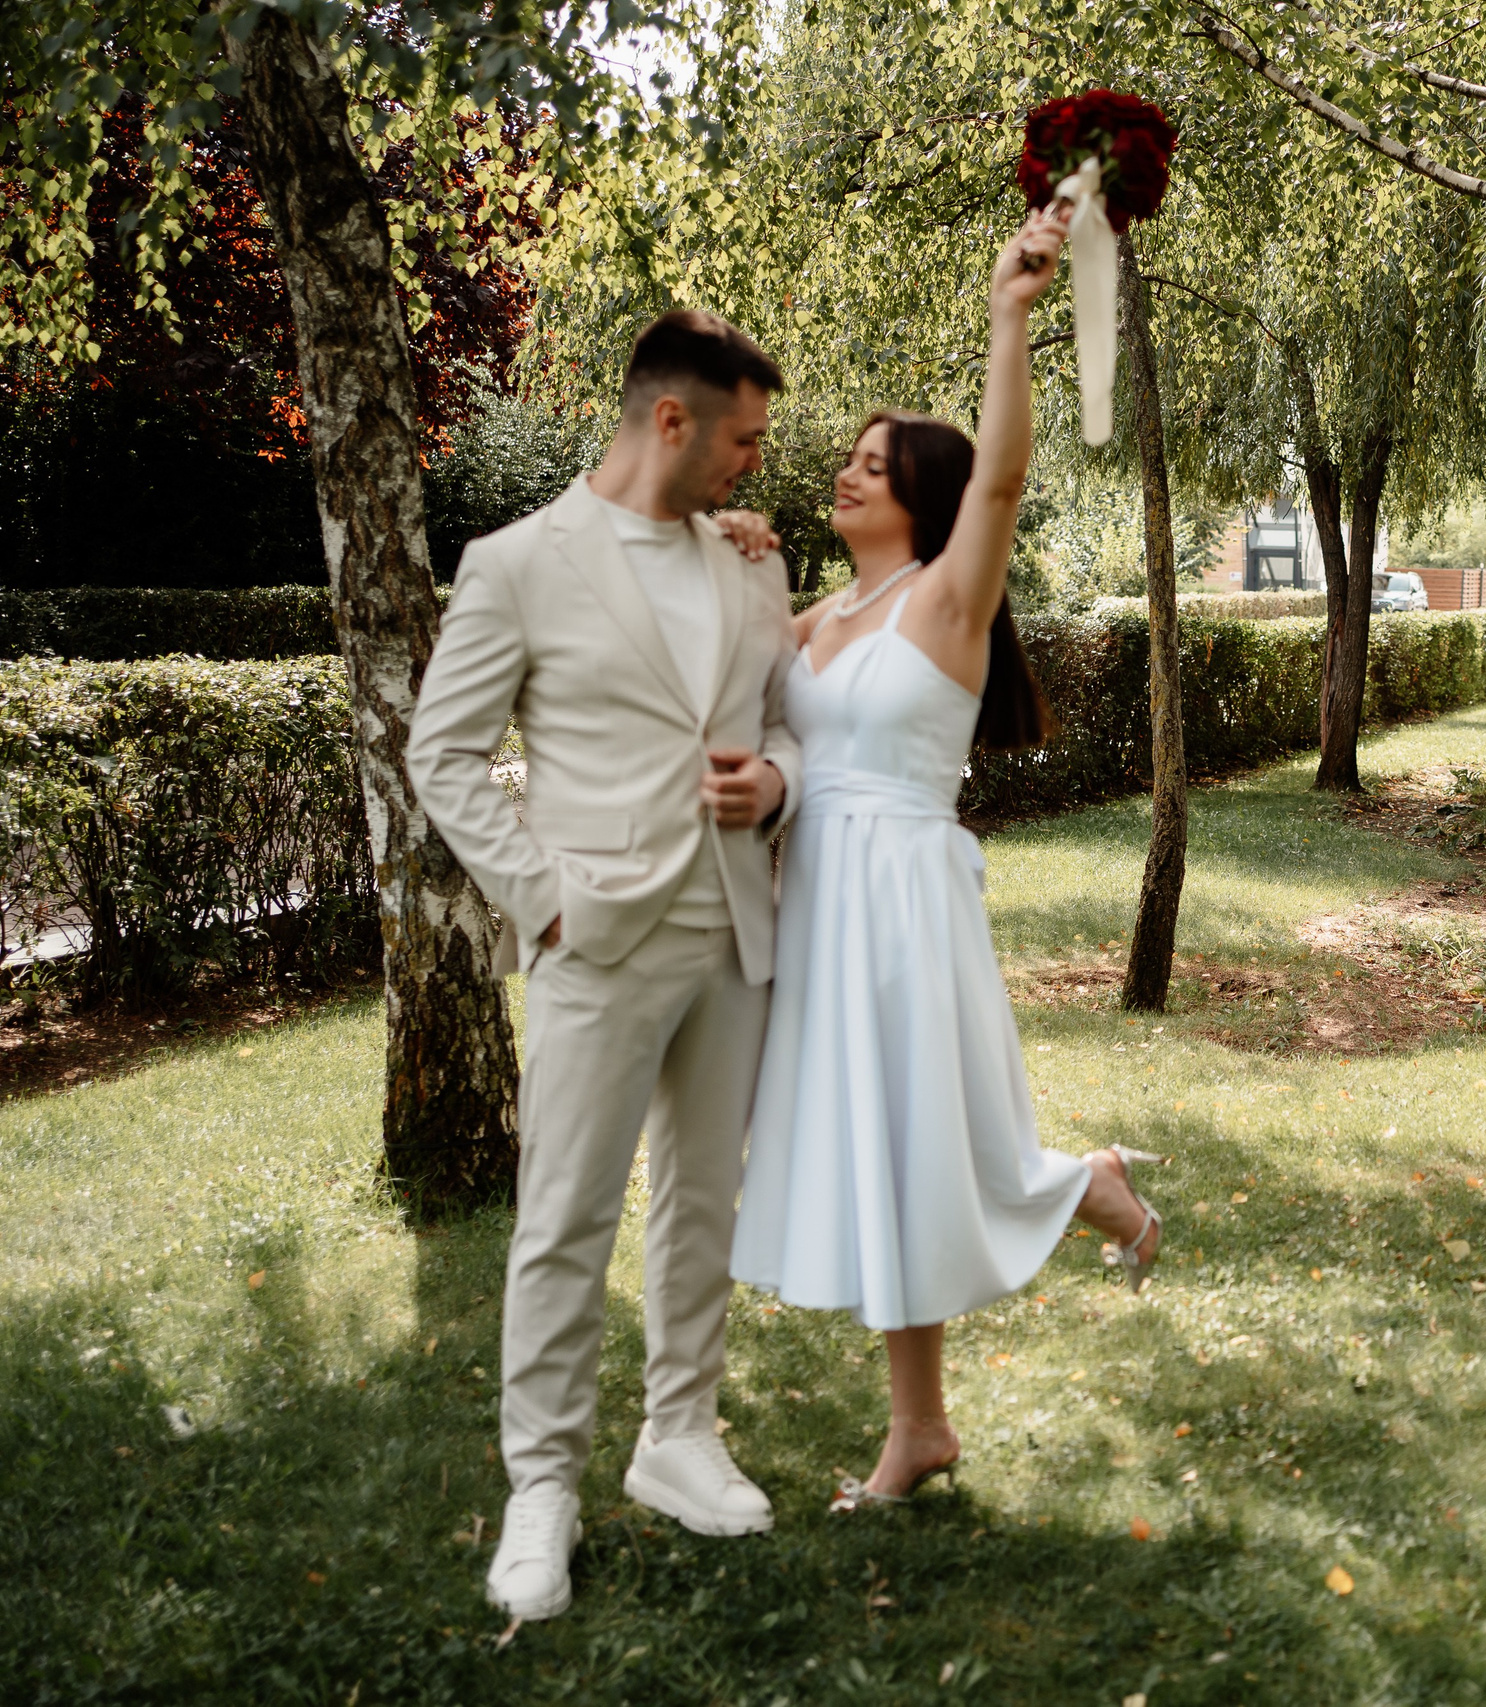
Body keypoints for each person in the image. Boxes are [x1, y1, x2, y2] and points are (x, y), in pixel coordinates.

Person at [721, 203, 1169, 1508]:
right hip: (821, 902)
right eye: (849, 461)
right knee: (876, 1148)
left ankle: (1082, 1185)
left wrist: (1010, 316)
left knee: (929, 1138)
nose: (849, 472)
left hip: (910, 892)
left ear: (920, 490)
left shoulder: (947, 597)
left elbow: (1006, 480)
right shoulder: (812, 618)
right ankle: (920, 1426)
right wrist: (737, 553)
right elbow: (735, 680)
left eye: (875, 461)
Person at [406, 310, 803, 1621]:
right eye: (743, 439)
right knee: (565, 1216)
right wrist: (542, 898)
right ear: (670, 421)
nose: (756, 464)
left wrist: (781, 785)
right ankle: (543, 1490)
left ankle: (677, 1438)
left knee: (705, 1200)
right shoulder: (517, 565)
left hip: (734, 931)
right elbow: (443, 754)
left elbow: (793, 728)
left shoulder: (752, 565)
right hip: (597, 937)